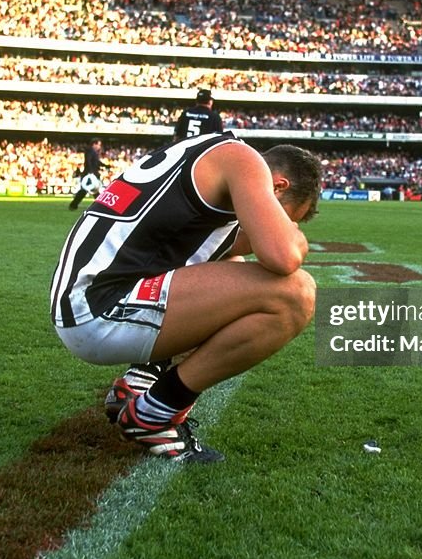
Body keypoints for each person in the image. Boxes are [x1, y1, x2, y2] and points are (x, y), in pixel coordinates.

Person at [50, 132, 322, 463]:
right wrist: (293, 237)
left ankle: (140, 379)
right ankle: (153, 414)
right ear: (277, 186)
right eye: (285, 215)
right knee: (295, 294)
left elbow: (216, 250)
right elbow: (283, 256)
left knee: (232, 266)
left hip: (90, 300)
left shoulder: (212, 157)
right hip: (98, 309)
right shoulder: (243, 160)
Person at [68, 139, 106, 210]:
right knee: (89, 190)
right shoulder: (90, 151)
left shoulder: (92, 151)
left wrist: (105, 165)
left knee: (91, 190)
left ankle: (73, 205)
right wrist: (91, 172)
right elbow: (88, 161)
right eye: (99, 144)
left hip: (90, 174)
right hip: (89, 174)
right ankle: (100, 206)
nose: (99, 146)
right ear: (94, 144)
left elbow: (96, 162)